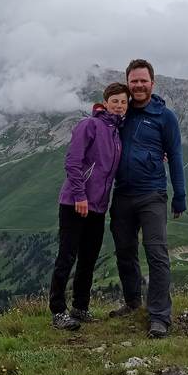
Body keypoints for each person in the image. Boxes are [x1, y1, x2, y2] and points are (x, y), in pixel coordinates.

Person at [109, 59, 186, 338]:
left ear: (152, 83)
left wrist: (180, 195)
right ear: (128, 83)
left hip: (152, 194)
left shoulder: (166, 117)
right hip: (122, 194)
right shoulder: (121, 112)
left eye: (143, 81)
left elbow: (175, 155)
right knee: (124, 252)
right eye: (134, 81)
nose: (139, 85)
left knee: (156, 254)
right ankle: (132, 303)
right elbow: (100, 123)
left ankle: (159, 316)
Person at [49, 82, 130, 331]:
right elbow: (72, 161)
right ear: (105, 103)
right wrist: (79, 195)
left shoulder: (117, 134)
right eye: (115, 101)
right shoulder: (90, 125)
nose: (119, 106)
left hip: (98, 207)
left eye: (123, 102)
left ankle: (80, 307)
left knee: (88, 258)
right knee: (67, 256)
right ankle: (58, 311)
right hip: (75, 203)